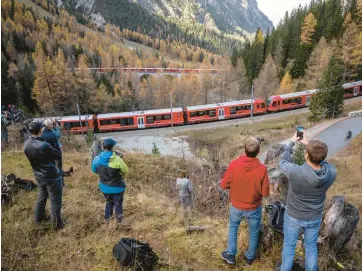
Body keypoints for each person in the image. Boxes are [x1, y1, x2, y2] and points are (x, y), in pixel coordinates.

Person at [278, 132, 336, 271]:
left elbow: (283, 161)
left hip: (293, 216)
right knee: (310, 247)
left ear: (306, 155)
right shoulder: (331, 174)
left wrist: (291, 142)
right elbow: (323, 162)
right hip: (314, 217)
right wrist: (311, 147)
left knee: (289, 246)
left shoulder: (295, 172)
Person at [220, 137, 270, 266]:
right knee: (254, 232)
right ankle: (250, 258)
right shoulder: (262, 169)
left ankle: (230, 255)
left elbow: (224, 184)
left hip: (236, 206)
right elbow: (265, 193)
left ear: (244, 149)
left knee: (233, 228)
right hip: (254, 207)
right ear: (258, 151)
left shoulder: (234, 164)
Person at [23, 122, 64, 229]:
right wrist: (55, 145)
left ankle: (38, 219)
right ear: (40, 130)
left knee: (41, 197)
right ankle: (57, 224)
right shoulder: (44, 145)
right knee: (55, 200)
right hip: (51, 176)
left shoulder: (26, 144)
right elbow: (58, 155)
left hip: (38, 174)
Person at [92, 138, 129, 223]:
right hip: (118, 187)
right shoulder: (117, 159)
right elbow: (125, 170)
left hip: (104, 187)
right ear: (112, 147)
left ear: (103, 147)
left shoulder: (97, 159)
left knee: (109, 201)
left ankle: (107, 219)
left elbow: (94, 170)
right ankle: (119, 221)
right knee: (118, 204)